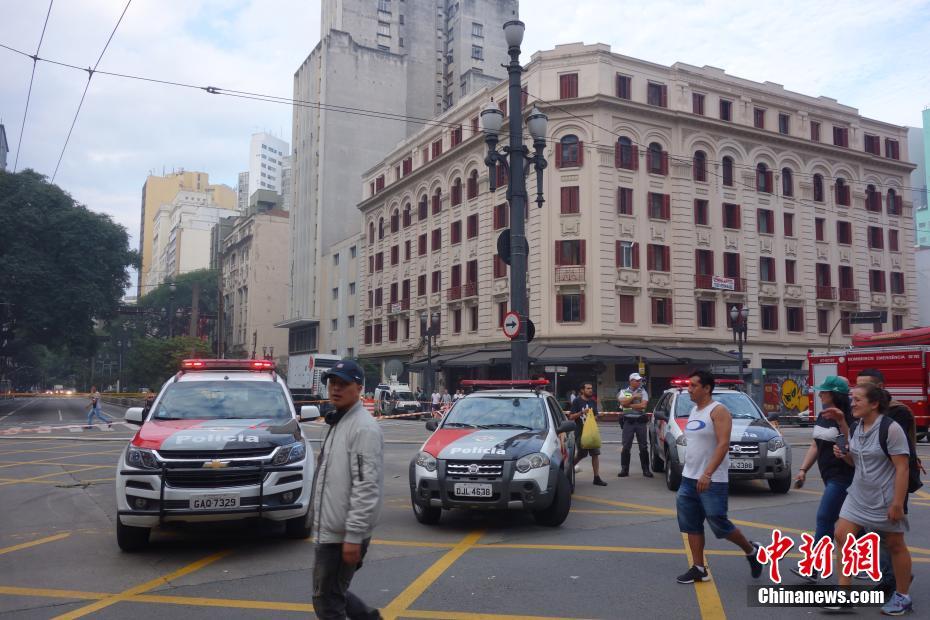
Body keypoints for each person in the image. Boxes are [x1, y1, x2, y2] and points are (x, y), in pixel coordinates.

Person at [828, 384, 913, 616]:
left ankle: (903, 596)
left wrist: (897, 503)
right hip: (858, 495)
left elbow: (902, 468)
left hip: (884, 499)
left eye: (857, 399)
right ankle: (843, 595)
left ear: (874, 404)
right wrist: (845, 455)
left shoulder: (891, 429)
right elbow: (856, 463)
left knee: (895, 545)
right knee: (841, 534)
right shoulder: (856, 427)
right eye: (851, 399)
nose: (852, 403)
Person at [312, 359, 384, 620]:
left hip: (342, 533)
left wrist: (353, 536)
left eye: (343, 384)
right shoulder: (338, 422)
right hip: (332, 528)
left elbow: (366, 485)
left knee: (327, 602)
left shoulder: (363, 428)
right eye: (333, 383)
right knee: (332, 593)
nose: (336, 389)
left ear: (359, 388)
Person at [676, 370, 762, 584]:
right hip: (688, 479)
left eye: (694, 385)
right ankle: (698, 568)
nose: (689, 389)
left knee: (719, 523)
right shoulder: (694, 410)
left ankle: (752, 551)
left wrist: (707, 473)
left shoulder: (719, 411)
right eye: (689, 385)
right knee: (692, 524)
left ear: (707, 388)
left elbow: (724, 444)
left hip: (711, 479)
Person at [790, 375, 854, 583]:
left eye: (824, 391)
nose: (819, 394)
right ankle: (883, 565)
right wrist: (803, 469)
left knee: (825, 519)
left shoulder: (849, 417)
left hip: (843, 477)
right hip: (829, 477)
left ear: (834, 394)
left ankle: (813, 568)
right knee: (856, 527)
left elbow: (850, 447)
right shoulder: (822, 415)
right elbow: (816, 445)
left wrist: (842, 423)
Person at [568, 382, 607, 486]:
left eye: (591, 388)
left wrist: (596, 416)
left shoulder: (592, 401)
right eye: (588, 388)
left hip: (592, 432)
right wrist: (582, 412)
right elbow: (571, 417)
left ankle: (596, 477)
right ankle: (568, 469)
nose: (590, 390)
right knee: (582, 454)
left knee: (595, 454)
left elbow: (595, 416)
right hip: (580, 433)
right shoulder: (577, 401)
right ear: (582, 390)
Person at [617, 373, 652, 478]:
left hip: (640, 422)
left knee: (643, 446)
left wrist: (628, 405)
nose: (639, 382)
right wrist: (634, 397)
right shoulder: (623, 391)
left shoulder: (643, 391)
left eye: (639, 380)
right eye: (637, 380)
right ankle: (624, 469)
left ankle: (646, 469)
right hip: (628, 422)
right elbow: (622, 403)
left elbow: (643, 406)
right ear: (631, 381)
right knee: (626, 446)